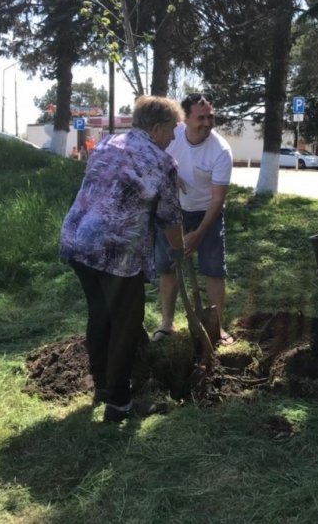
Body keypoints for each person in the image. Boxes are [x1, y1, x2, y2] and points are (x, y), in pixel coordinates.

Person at [60, 95, 185, 423]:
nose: (174, 137)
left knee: (100, 315)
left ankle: (102, 386)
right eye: (172, 129)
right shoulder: (162, 162)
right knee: (126, 325)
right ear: (157, 128)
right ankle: (119, 403)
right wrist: (180, 248)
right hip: (115, 253)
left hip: (78, 240)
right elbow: (170, 218)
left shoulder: (107, 143)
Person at [152, 93, 234, 345]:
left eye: (211, 116)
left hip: (206, 212)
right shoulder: (172, 135)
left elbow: (217, 201)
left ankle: (216, 328)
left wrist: (198, 235)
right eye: (201, 118)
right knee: (167, 267)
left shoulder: (220, 151)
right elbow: (153, 155)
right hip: (173, 211)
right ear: (185, 118)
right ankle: (167, 323)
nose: (208, 123)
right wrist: (169, 173)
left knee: (213, 268)